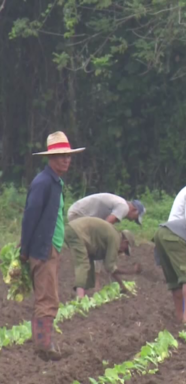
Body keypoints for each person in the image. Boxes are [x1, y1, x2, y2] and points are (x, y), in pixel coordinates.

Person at [20, 131, 85, 360]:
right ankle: (43, 347)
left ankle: (44, 344)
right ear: (50, 158)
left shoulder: (55, 181)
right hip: (43, 248)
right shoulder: (43, 183)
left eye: (68, 155)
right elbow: (30, 217)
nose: (65, 160)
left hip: (51, 247)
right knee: (46, 298)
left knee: (49, 296)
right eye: (60, 156)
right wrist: (25, 250)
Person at [64, 217, 140, 298]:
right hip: (76, 232)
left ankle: (83, 293)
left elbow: (111, 268)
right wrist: (130, 271)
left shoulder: (114, 235)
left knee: (89, 262)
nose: (122, 252)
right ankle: (80, 296)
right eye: (125, 249)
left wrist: (122, 286)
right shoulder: (115, 239)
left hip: (72, 230)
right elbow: (110, 267)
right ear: (125, 242)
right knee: (83, 263)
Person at [68, 193, 146, 225]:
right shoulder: (124, 207)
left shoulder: (120, 202)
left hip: (77, 212)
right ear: (135, 210)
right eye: (135, 218)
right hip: (78, 215)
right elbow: (106, 225)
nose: (132, 220)